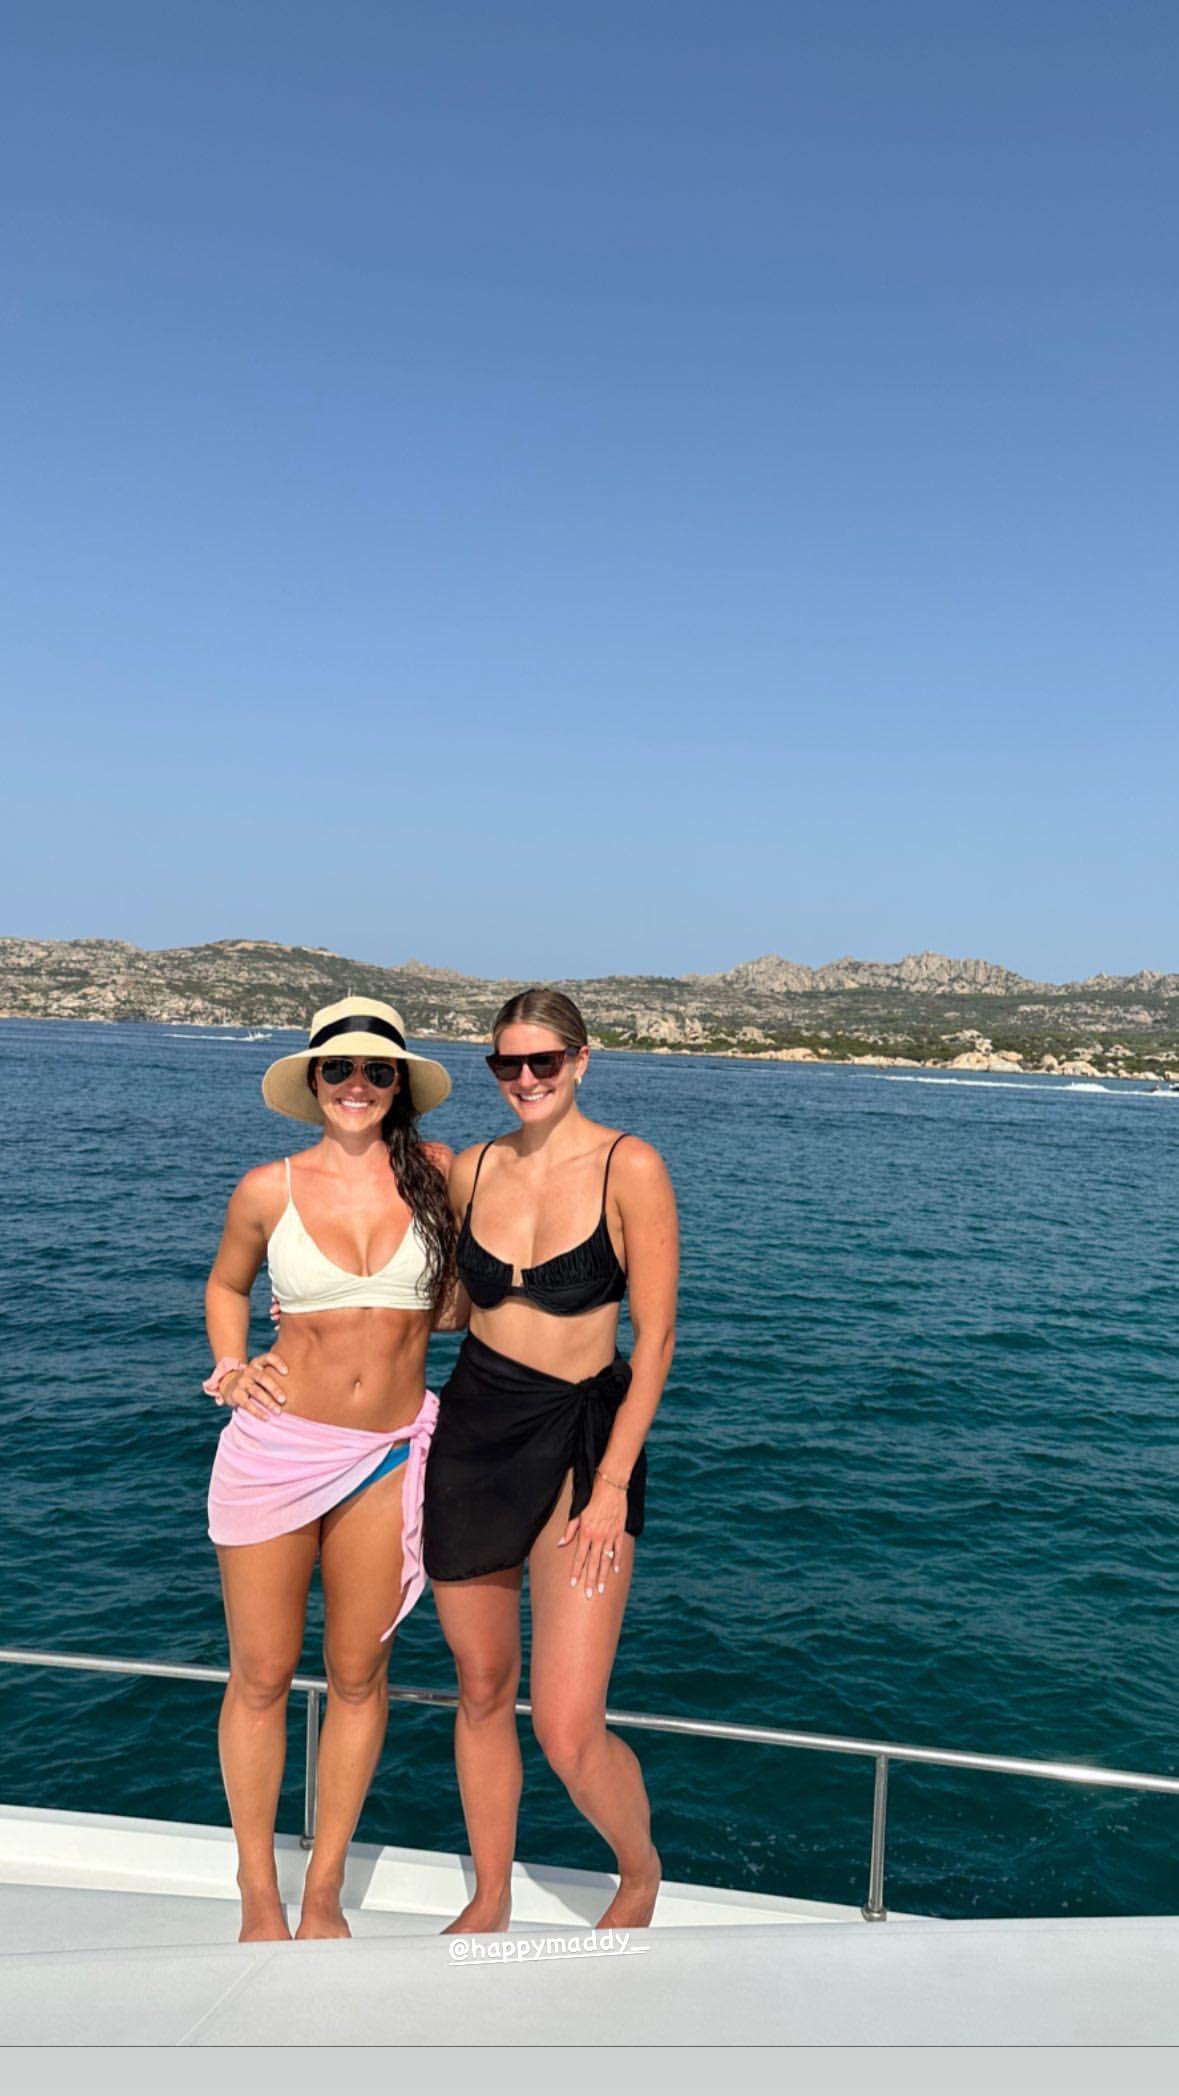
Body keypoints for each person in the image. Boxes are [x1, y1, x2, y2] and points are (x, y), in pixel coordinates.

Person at [423, 986, 678, 1932]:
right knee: (481, 1689)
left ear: (580, 1061)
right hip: (474, 1435)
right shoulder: (473, 1168)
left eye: (543, 1060)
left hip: (581, 1445)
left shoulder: (629, 1166)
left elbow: (655, 1340)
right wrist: (337, 1308)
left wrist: (610, 1485)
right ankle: (490, 1895)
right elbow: (455, 1312)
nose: (525, 1078)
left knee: (568, 1727)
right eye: (508, 1063)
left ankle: (639, 1872)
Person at [204, 997, 455, 1943]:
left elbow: (470, 1298)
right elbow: (226, 1283)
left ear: (400, 1085)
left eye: (377, 1071)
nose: (357, 1085)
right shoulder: (266, 1188)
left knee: (356, 1675)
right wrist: (231, 1367)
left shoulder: (442, 1176)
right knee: (261, 1676)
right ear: (313, 1082)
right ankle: (257, 1893)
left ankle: (323, 1893)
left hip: (384, 1456)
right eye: (338, 1069)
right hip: (275, 1450)